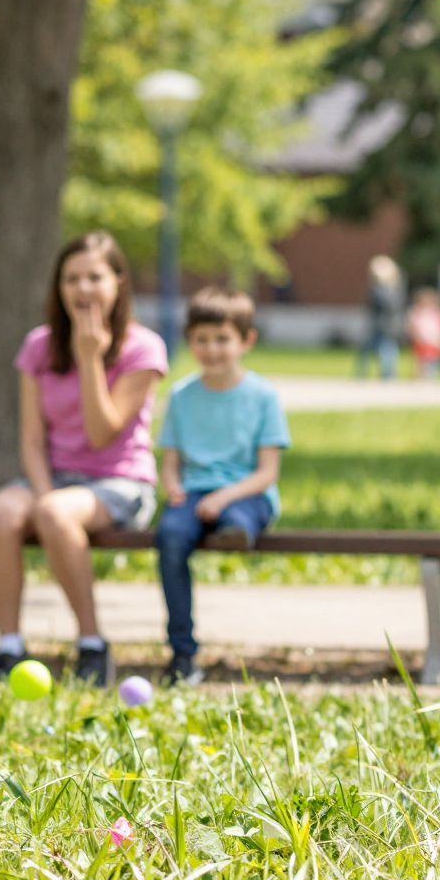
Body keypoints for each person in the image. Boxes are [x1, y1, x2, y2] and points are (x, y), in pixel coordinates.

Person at [0, 232, 168, 687]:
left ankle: (91, 644)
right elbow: (30, 438)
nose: (82, 289)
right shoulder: (39, 347)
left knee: (56, 512)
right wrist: (44, 495)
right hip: (55, 479)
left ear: (118, 282)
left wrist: (90, 360)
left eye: (94, 277)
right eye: (71, 279)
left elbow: (103, 433)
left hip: (119, 481)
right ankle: (9, 647)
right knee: (3, 513)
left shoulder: (144, 348)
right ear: (58, 287)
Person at [154, 288, 289, 689]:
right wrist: (173, 487)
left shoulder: (263, 396)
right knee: (170, 537)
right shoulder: (181, 396)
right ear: (189, 340)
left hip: (247, 493)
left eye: (222, 339)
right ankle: (182, 652)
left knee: (237, 518)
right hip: (195, 494)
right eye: (202, 340)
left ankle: (235, 532)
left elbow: (267, 472)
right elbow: (171, 461)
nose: (211, 349)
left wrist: (223, 497)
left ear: (246, 341)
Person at [356, 255, 402, 380]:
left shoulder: (384, 290)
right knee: (373, 350)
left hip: (384, 325)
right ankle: (366, 374)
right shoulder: (389, 289)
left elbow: (389, 307)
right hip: (383, 324)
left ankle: (387, 375)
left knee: (385, 350)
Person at [406, 287, 440, 381]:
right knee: (420, 362)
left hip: (434, 342)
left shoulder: (438, 313)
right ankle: (420, 379)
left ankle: (431, 378)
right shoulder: (416, 313)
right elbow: (412, 326)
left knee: (433, 362)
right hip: (421, 341)